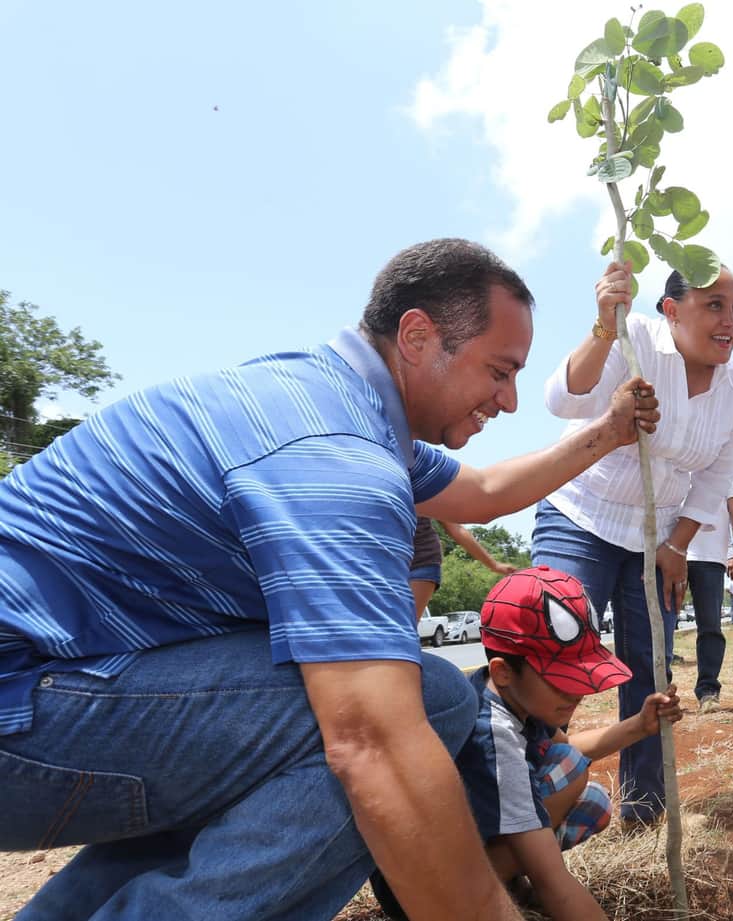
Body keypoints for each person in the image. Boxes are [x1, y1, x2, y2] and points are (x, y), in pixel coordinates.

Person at [0, 238, 661, 921]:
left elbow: (487, 490)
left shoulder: (328, 402)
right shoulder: (335, 458)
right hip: (22, 700)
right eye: (499, 371)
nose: (511, 400)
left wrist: (608, 431)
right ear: (417, 336)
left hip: (54, 680)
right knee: (427, 704)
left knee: (295, 733)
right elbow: (375, 745)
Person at [532, 261, 733, 824]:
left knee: (649, 668)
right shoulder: (635, 342)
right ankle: (524, 800)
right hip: (581, 516)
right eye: (715, 306)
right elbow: (563, 399)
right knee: (556, 647)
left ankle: (644, 807)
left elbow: (716, 476)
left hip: (656, 539)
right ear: (671, 310)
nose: (731, 320)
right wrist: (605, 327)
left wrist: (676, 546)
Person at [371, 566, 682, 921]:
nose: (577, 693)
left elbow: (571, 745)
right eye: (561, 679)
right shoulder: (494, 734)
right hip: (416, 890)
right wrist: (547, 879)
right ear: (504, 671)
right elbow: (553, 881)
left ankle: (502, 883)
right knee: (570, 770)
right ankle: (469, 898)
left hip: (437, 859)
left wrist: (639, 726)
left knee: (591, 800)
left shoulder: (511, 695)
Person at [686, 490, 733, 713]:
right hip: (671, 553)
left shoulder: (726, 472)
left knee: (710, 626)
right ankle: (662, 690)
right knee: (663, 627)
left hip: (711, 557)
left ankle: (708, 691)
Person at [410, 517, 518, 617]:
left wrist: (494, 565)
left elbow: (455, 528)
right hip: (401, 560)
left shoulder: (425, 501)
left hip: (420, 560)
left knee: (405, 623)